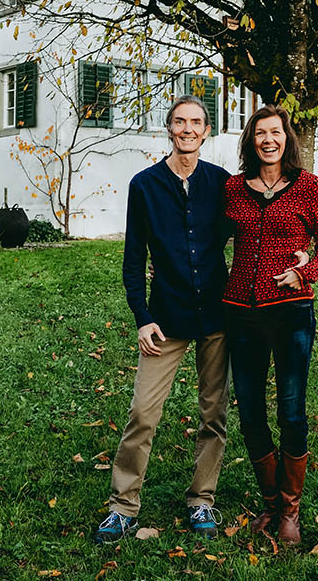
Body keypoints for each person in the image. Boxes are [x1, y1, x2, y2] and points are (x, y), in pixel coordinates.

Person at [93, 95, 231, 544]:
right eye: (179, 122)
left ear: (206, 131)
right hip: (166, 319)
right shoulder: (145, 185)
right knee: (143, 414)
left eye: (196, 122)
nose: (188, 129)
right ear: (168, 129)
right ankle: (123, 506)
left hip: (216, 317)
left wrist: (303, 251)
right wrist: (142, 317)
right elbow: (134, 261)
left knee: (214, 415)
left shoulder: (221, 183)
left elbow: (256, 232)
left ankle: (201, 500)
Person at [221, 104, 318, 547]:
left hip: (290, 310)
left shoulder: (309, 187)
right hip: (240, 310)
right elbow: (208, 237)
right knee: (250, 409)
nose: (268, 140)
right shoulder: (233, 188)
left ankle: (290, 509)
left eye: (276, 133)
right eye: (259, 134)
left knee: (291, 408)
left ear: (287, 138)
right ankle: (270, 501)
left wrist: (305, 270)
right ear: (251, 141)